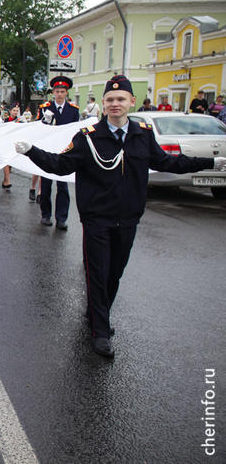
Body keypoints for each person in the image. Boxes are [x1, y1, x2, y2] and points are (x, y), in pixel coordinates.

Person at [14, 74, 226, 358]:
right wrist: (32, 152)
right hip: (97, 218)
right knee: (98, 273)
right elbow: (61, 165)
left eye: (121, 99)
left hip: (128, 217)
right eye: (110, 99)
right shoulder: (88, 137)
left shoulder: (143, 135)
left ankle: (95, 313)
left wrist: (210, 162)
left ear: (131, 102)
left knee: (115, 272)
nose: (115, 103)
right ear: (103, 103)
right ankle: (100, 330)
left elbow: (167, 162)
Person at [37, 76, 79, 230]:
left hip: (63, 152)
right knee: (46, 184)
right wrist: (45, 120)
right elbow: (39, 129)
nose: (59, 94)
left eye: (62, 91)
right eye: (57, 91)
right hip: (48, 150)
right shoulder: (45, 108)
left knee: (62, 186)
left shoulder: (73, 110)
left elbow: (75, 131)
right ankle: (45, 215)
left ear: (66, 93)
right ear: (53, 92)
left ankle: (61, 218)